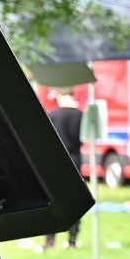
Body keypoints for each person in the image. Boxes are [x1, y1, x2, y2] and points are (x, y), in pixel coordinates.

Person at [43, 90, 84, 250]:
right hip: (75, 161)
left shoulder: (53, 115)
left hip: (56, 162)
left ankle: (50, 240)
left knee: (53, 202)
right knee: (74, 202)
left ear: (60, 97)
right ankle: (72, 239)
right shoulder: (81, 115)